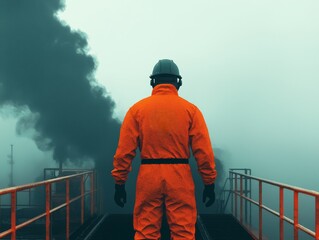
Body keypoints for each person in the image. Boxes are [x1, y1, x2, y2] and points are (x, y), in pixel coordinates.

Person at [111, 59, 217, 240]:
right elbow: (203, 152)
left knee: (146, 230)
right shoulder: (191, 110)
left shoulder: (137, 110)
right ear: (178, 82)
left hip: (148, 175)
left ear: (153, 82)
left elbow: (124, 152)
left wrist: (119, 183)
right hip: (179, 175)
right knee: (183, 230)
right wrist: (209, 183)